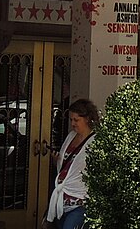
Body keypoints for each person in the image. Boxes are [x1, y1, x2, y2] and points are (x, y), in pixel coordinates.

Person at [46, 98, 97, 229]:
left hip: (80, 200)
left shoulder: (95, 141)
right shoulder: (71, 136)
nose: (73, 124)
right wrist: (57, 161)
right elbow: (67, 163)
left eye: (76, 120)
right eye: (71, 120)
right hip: (61, 200)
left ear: (87, 119)